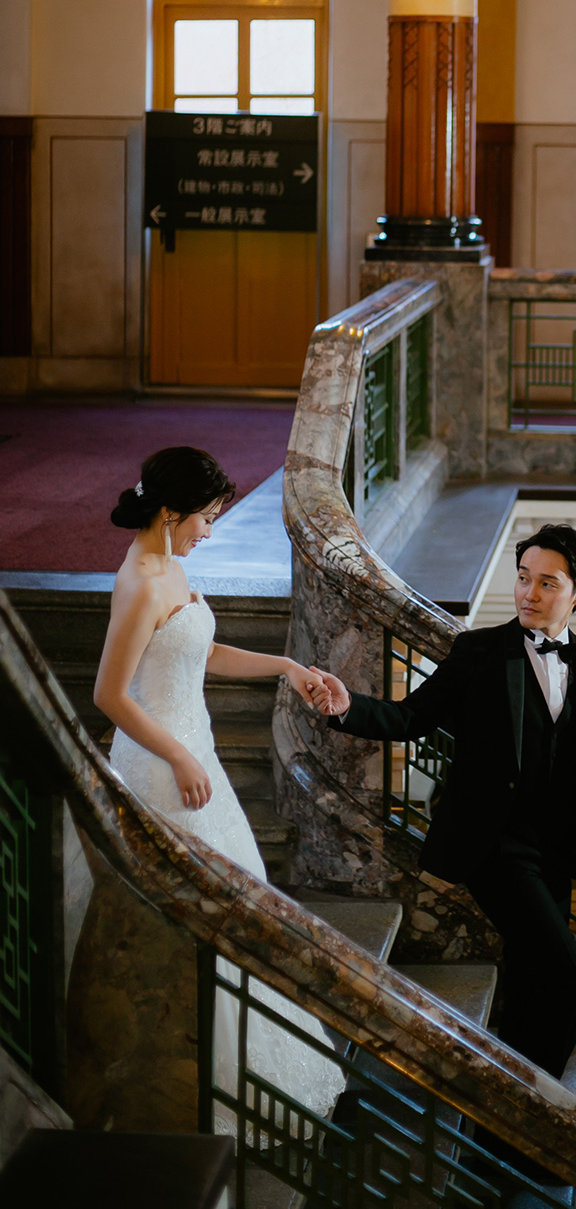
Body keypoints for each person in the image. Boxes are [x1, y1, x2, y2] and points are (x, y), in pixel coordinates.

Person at [310, 522, 576, 1090]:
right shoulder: (479, 652)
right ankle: (542, 1103)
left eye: (546, 584)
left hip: (556, 850)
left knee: (534, 979)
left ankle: (504, 1118)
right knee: (571, 978)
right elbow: (411, 718)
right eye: (522, 579)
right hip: (494, 844)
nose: (528, 594)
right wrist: (346, 708)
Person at [95, 444, 343, 1127]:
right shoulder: (142, 581)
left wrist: (289, 666)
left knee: (238, 906)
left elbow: (204, 654)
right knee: (208, 917)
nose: (211, 531)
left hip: (192, 755)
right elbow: (110, 695)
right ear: (170, 512)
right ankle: (193, 1084)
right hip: (164, 766)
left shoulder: (172, 567)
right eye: (205, 518)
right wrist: (177, 755)